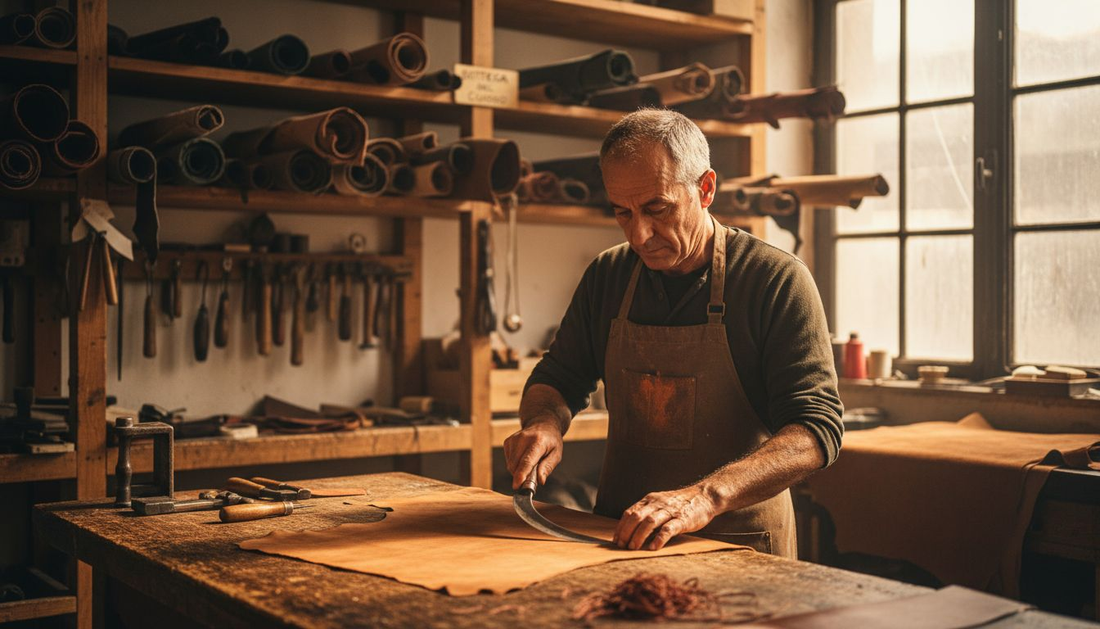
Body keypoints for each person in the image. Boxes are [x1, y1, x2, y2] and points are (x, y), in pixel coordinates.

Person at [503, 109, 843, 558]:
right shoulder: (609, 275)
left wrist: (705, 498)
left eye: (656, 209)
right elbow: (560, 377)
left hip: (739, 546)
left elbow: (816, 430)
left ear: (705, 189)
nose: (640, 235)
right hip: (618, 538)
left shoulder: (775, 279)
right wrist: (544, 422)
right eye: (622, 213)